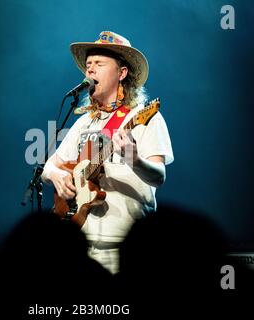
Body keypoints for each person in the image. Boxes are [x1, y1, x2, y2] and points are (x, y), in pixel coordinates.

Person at [41, 31, 174, 274]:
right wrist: (55, 175)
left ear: (122, 73)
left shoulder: (144, 118)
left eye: (99, 64)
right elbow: (49, 166)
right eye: (88, 65)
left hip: (123, 249)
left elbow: (159, 177)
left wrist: (135, 160)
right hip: (79, 245)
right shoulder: (84, 123)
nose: (90, 70)